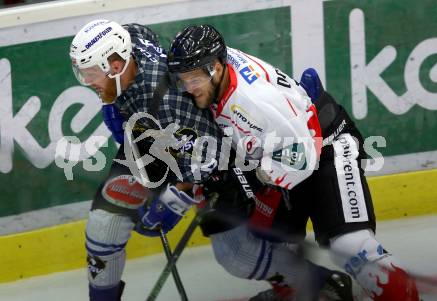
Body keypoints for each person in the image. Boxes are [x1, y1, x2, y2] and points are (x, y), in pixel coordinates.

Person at [167, 25, 421, 301]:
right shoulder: (218, 72)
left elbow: (305, 155)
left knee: (352, 247)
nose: (187, 90)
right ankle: (320, 289)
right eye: (183, 80)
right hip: (282, 150)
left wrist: (250, 178)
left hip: (324, 147)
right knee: (268, 244)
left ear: (215, 67)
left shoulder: (255, 102)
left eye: (192, 81)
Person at [69, 20, 225, 301]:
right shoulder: (129, 39)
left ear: (115, 67)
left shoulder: (166, 102)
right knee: (104, 225)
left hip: (203, 153)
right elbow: (140, 31)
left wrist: (175, 199)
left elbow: (208, 158)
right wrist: (113, 103)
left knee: (238, 256)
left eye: (91, 73)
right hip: (150, 138)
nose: (87, 81)